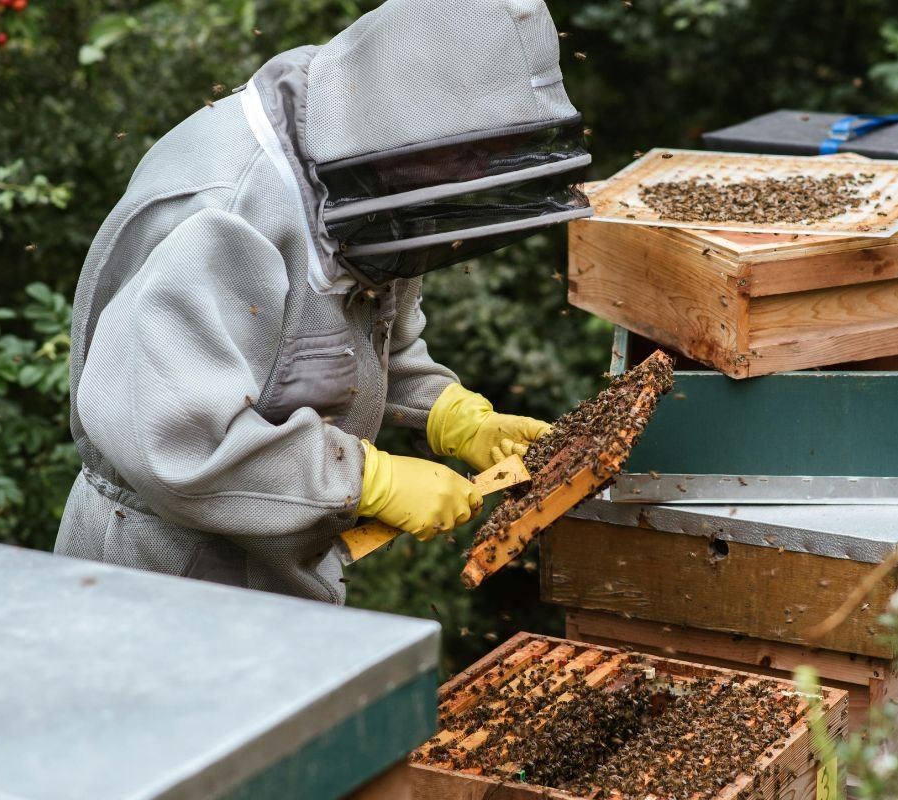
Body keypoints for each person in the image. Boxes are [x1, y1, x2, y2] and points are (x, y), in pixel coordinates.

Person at [54, 0, 592, 603]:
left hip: (274, 573)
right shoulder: (224, 215)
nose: (481, 168)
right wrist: (367, 481)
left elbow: (345, 339)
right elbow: (176, 443)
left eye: (496, 151)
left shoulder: (372, 175)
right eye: (471, 150)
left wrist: (448, 412)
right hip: (158, 573)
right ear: (409, 112)